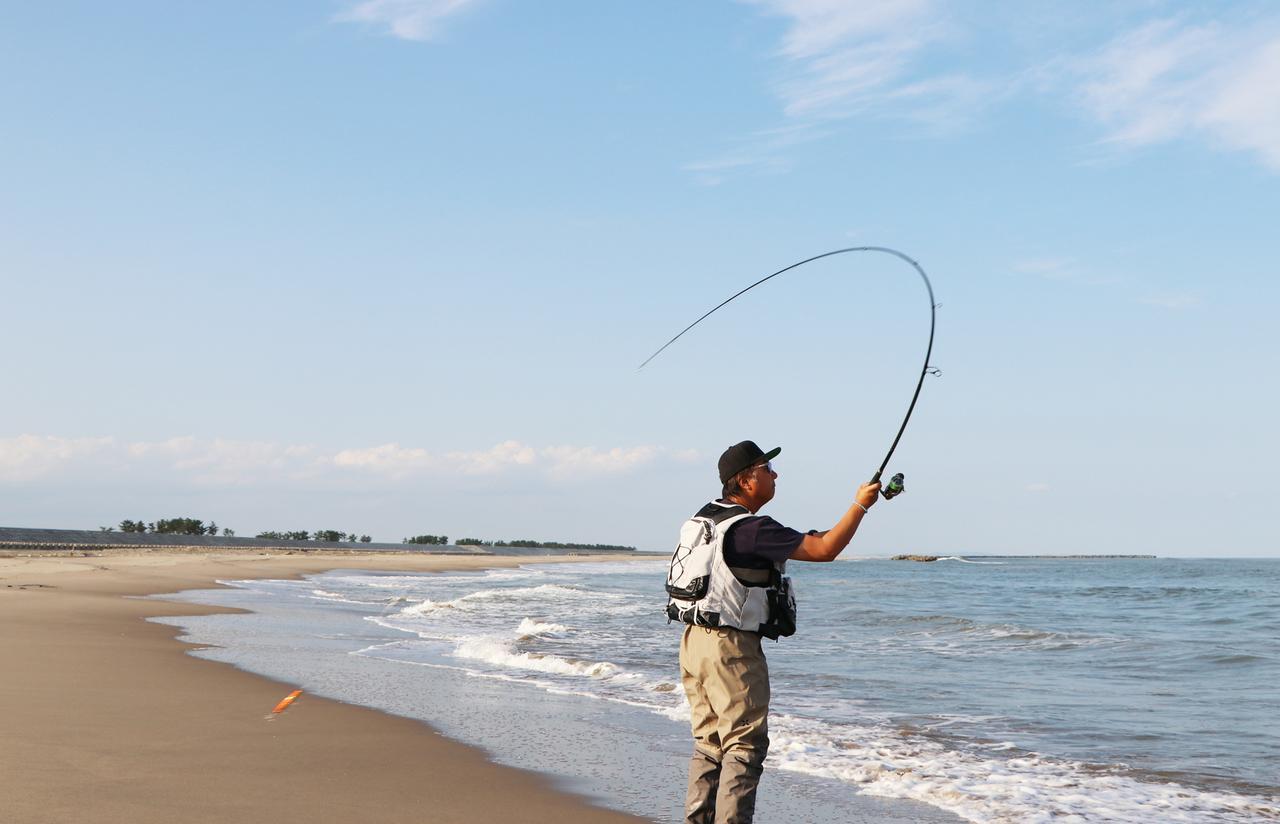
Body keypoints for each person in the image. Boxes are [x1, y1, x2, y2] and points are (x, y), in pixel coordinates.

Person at [667, 440, 881, 824]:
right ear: (747, 481)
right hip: (730, 649)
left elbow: (809, 541)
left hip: (693, 643)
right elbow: (824, 550)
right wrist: (861, 505)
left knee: (709, 743)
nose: (775, 475)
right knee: (744, 746)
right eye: (767, 469)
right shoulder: (751, 529)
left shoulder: (706, 520)